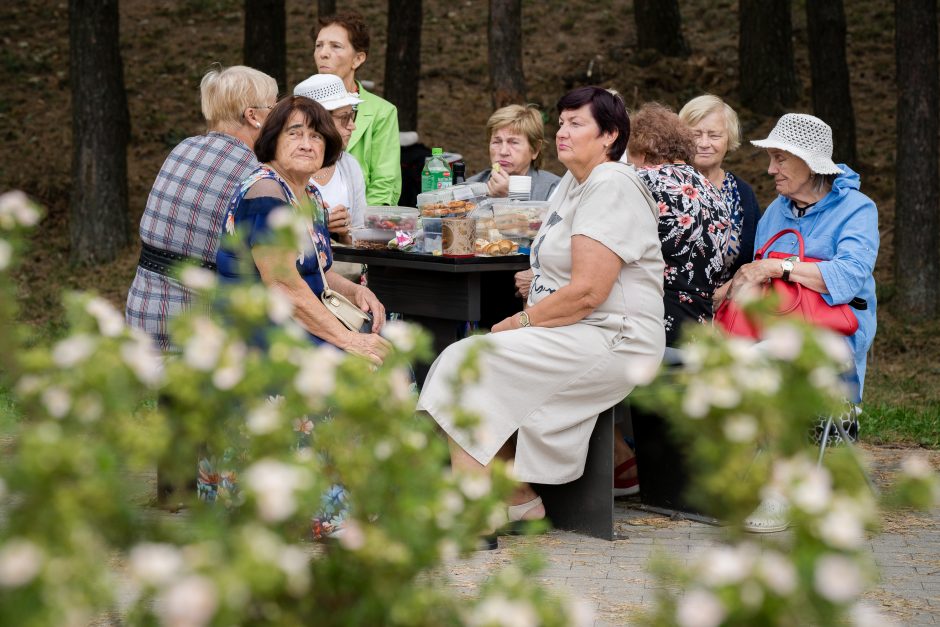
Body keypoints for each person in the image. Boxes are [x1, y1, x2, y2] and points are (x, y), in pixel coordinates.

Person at [417, 87, 665, 546]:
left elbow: (589, 291)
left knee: (466, 360)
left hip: (615, 336)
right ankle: (517, 497)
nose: (563, 132)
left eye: (577, 124)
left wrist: (520, 322)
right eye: (562, 123)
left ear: (610, 135)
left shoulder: (611, 184)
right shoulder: (575, 182)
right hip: (576, 327)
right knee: (469, 360)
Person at [727, 113, 878, 532]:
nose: (771, 169)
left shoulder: (856, 209)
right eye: (771, 159)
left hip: (832, 342)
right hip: (773, 334)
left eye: (780, 159)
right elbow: (763, 281)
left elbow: (847, 279)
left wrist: (778, 266)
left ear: (810, 163)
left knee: (773, 369)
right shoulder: (777, 210)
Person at [610, 102, 732, 495]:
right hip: (699, 325)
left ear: (642, 151)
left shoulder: (644, 185)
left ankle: (606, 467)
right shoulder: (711, 191)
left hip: (654, 324)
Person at [216, 96, 390, 363]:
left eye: (317, 137)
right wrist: (349, 340)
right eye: (295, 134)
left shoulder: (310, 195)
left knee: (388, 354)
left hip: (299, 321)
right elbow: (282, 284)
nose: (307, 145)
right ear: (273, 140)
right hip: (261, 333)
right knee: (364, 368)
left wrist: (355, 291)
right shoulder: (267, 193)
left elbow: (317, 269)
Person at [126, 65, 277, 351]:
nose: (278, 116)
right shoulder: (252, 173)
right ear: (253, 117)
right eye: (274, 106)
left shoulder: (184, 148)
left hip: (142, 309)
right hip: (196, 324)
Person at [313, 11, 401, 206]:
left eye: (335, 46)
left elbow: (385, 184)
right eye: (319, 45)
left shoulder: (382, 111)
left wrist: (357, 230)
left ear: (358, 59)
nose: (323, 53)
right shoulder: (296, 106)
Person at [678, 95, 761, 294]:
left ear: (728, 139)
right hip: (668, 307)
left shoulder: (743, 194)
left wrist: (727, 291)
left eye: (714, 136)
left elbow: (755, 258)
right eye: (696, 134)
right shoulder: (666, 185)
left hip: (727, 309)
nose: (704, 143)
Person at [294, 73, 367, 245]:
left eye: (352, 115)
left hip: (344, 268)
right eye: (344, 118)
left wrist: (345, 231)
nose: (352, 126)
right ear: (319, 122)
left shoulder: (348, 164)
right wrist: (320, 226)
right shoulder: (287, 168)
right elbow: (275, 239)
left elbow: (360, 239)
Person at [467, 104, 561, 201]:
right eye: (497, 142)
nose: (503, 152)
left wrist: (509, 198)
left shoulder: (553, 189)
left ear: (535, 149)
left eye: (514, 142)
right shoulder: (469, 189)